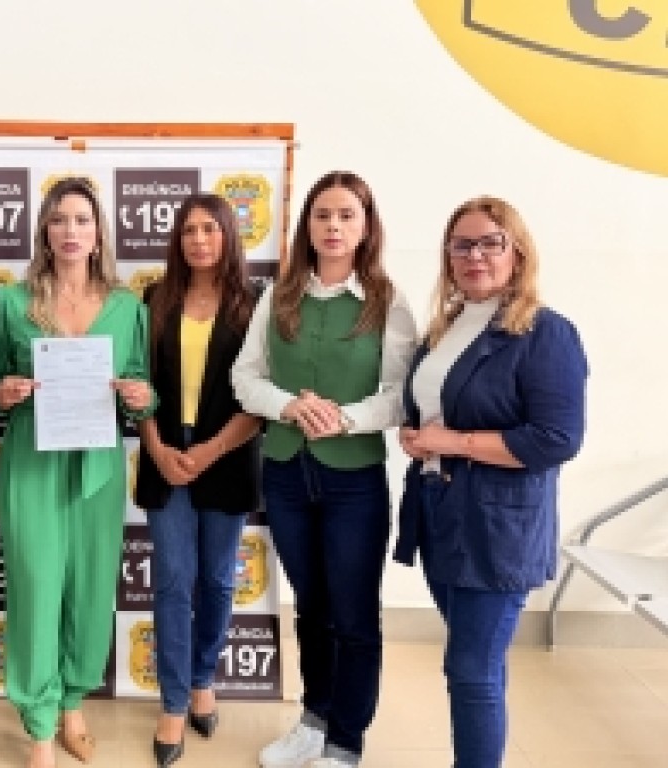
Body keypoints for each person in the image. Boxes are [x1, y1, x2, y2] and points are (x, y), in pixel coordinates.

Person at [232, 171, 417, 768]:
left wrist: (344, 418)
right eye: (322, 215)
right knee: (311, 607)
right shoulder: (277, 296)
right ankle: (314, 719)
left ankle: (346, 740)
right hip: (287, 473)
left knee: (353, 614)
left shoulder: (388, 301)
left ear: (366, 226)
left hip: (353, 480)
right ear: (307, 225)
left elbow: (400, 395)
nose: (333, 226)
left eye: (346, 215)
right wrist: (288, 405)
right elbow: (245, 377)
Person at [393, 197, 587, 768]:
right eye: (462, 245)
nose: (474, 256)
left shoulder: (545, 332)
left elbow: (556, 439)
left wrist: (453, 442)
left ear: (517, 252)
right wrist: (416, 435)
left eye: (490, 243)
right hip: (440, 512)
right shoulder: (445, 329)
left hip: (496, 528)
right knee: (478, 662)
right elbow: (432, 409)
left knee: (469, 669)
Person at [0, 177, 154, 768]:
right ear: (44, 232)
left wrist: (140, 395)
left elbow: (143, 387)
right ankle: (39, 726)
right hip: (32, 463)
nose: (71, 231)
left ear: (98, 232)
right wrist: (2, 391)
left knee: (90, 590)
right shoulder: (9, 303)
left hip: (99, 467)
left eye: (82, 219)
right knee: (35, 589)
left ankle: (73, 705)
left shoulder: (128, 307)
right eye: (59, 220)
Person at [134, 193, 261, 767]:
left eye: (210, 229)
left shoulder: (255, 305)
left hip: (227, 453)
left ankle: (204, 676)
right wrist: (156, 447)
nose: (199, 240)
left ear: (228, 235)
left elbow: (259, 396)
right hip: (165, 453)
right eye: (188, 230)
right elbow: (137, 381)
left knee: (216, 579)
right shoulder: (154, 300)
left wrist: (210, 450)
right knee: (172, 581)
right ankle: (173, 700)